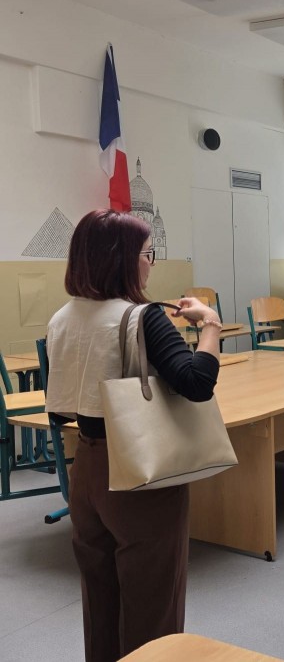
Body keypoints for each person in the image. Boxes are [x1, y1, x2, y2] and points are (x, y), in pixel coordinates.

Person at [45, 209, 223, 661]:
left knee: (99, 599)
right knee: (152, 604)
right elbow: (197, 383)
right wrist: (211, 323)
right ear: (122, 259)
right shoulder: (142, 317)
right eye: (147, 254)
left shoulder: (62, 317)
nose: (151, 263)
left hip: (86, 469)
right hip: (139, 471)